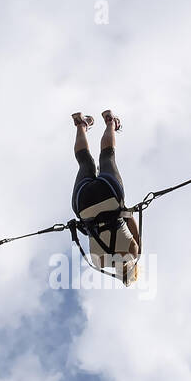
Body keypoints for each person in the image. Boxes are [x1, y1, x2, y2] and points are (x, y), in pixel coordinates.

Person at [70, 110, 141, 284]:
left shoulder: (134, 252)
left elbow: (129, 218)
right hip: (83, 203)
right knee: (84, 162)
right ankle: (81, 125)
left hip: (110, 195)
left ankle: (111, 122)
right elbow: (89, 232)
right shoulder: (98, 262)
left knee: (107, 155)